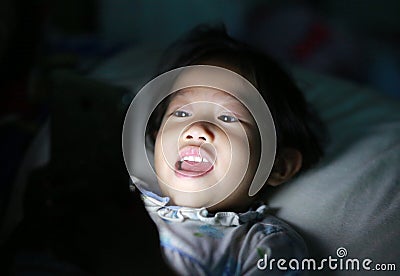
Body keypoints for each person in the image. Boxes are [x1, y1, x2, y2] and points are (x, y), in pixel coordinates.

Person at [132, 25, 325, 275]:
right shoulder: (119, 195)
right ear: (157, 139)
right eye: (181, 113)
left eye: (228, 118)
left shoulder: (262, 245)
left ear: (277, 166)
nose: (196, 128)